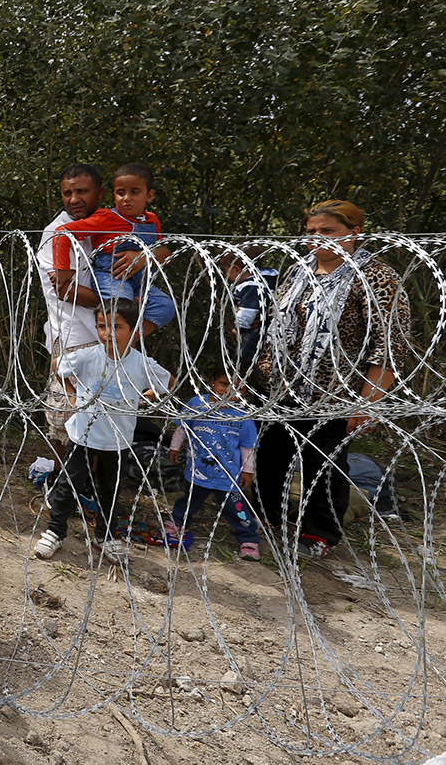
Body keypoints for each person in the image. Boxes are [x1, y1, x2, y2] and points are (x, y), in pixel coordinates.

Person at [253, 200, 409, 558]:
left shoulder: (375, 277)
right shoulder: (299, 272)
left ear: (354, 233)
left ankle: (319, 531)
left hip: (335, 391)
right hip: (282, 386)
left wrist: (368, 399)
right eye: (311, 232)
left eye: (328, 231)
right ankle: (269, 516)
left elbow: (388, 345)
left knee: (323, 462)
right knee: (273, 455)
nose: (317, 239)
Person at [33, 299, 174, 564]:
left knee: (110, 491)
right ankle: (55, 531)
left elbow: (167, 382)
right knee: (68, 485)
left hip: (117, 439)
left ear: (134, 331)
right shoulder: (89, 356)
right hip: (82, 434)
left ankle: (105, 536)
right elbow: (58, 366)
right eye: (102, 326)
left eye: (117, 327)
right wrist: (73, 397)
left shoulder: (140, 363)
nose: (108, 333)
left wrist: (143, 398)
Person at [52, 163, 176, 336]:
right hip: (112, 277)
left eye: (134, 192)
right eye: (120, 193)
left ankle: (129, 343)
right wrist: (62, 269)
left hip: (139, 281)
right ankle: (115, 345)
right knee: (122, 307)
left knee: (165, 306)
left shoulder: (151, 221)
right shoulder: (106, 218)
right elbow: (62, 233)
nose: (126, 198)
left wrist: (143, 256)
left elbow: (164, 253)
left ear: (149, 196)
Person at [36, 164, 105, 460]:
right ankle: (64, 486)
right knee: (64, 419)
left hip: (107, 339)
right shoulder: (57, 233)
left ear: (100, 193)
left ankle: (88, 488)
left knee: (101, 418)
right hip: (73, 338)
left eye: (82, 191)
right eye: (67, 193)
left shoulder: (106, 226)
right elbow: (66, 291)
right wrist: (117, 305)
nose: (74, 199)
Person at [163, 367, 261, 561]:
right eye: (224, 384)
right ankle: (176, 523)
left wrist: (247, 472)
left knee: (237, 508)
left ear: (245, 392)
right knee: (189, 501)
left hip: (228, 475)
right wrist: (174, 447)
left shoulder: (243, 415)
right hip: (197, 470)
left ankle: (249, 538)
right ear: (213, 382)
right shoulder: (197, 404)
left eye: (238, 388)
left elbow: (247, 447)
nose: (229, 391)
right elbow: (183, 428)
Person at [223, 250, 279, 372]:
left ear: (237, 270)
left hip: (253, 330)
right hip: (265, 328)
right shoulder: (262, 282)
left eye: (227, 271)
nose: (226, 275)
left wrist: (238, 328)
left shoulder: (251, 285)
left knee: (244, 359)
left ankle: (243, 373)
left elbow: (248, 312)